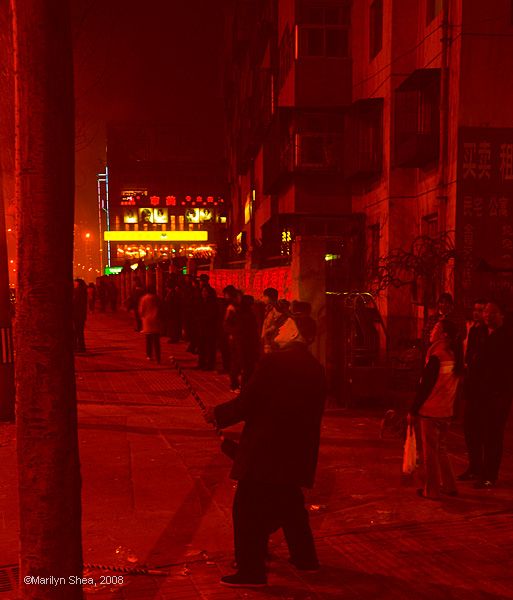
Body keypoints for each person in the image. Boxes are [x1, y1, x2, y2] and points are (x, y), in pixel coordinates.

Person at [205, 312, 326, 587]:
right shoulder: (315, 367)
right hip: (296, 451)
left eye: (286, 325)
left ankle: (251, 571)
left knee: (247, 510)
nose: (279, 328)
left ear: (296, 334)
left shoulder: (274, 363)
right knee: (290, 506)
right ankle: (305, 559)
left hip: (267, 451)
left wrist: (218, 414)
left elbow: (249, 401)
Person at [410, 319, 463, 500]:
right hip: (446, 410)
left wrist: (413, 409)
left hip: (431, 411)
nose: (431, 331)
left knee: (430, 453)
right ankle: (449, 486)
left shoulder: (436, 356)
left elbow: (425, 387)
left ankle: (431, 490)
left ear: (443, 334)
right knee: (441, 449)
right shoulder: (454, 355)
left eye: (435, 328)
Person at [470, 301, 513, 488]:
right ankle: (478, 469)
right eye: (486, 312)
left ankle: (490, 475)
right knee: (479, 431)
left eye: (493, 313)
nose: (488, 316)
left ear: (502, 316)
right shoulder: (481, 333)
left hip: (498, 393)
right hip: (481, 392)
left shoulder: (506, 337)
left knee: (493, 434)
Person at [458, 299, 488, 481]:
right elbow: (469, 354)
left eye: (481, 310)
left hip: (484, 388)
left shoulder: (487, 332)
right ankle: (474, 465)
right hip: (472, 385)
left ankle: (482, 468)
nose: (477, 313)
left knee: (482, 429)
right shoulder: (475, 330)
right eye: (475, 309)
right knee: (469, 428)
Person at [223, 286, 242, 391]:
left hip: (238, 338)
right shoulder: (231, 308)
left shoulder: (238, 308)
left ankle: (236, 383)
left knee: (238, 361)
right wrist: (233, 333)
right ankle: (234, 384)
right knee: (235, 361)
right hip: (235, 338)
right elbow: (226, 324)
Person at [239, 295, 260, 387]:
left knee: (246, 367)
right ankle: (246, 387)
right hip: (248, 344)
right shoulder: (248, 315)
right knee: (248, 367)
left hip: (243, 343)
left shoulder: (240, 313)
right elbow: (252, 332)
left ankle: (245, 386)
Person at [139, 286, 163, 363]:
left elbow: (141, 310)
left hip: (147, 321)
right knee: (156, 340)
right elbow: (160, 308)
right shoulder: (157, 298)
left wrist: (142, 317)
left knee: (148, 339)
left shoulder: (144, 299)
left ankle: (149, 355)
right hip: (155, 320)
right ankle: (158, 357)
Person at [197, 285, 219, 370]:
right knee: (202, 347)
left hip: (210, 328)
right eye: (202, 291)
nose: (203, 293)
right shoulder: (201, 302)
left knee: (210, 347)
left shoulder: (213, 303)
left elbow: (212, 316)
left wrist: (202, 318)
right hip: (202, 328)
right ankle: (201, 363)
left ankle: (210, 364)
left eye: (205, 291)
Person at [261, 288, 281, 354]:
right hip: (268, 338)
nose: (263, 299)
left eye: (264, 296)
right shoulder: (269, 307)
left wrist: (267, 332)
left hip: (272, 339)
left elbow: (278, 323)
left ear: (268, 297)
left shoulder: (277, 308)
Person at [73, 279, 88, 353]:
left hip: (78, 315)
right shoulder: (82, 291)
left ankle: (80, 347)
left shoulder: (78, 292)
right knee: (78, 331)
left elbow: (76, 303)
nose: (74, 284)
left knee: (77, 331)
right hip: (80, 315)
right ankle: (79, 346)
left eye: (75, 283)